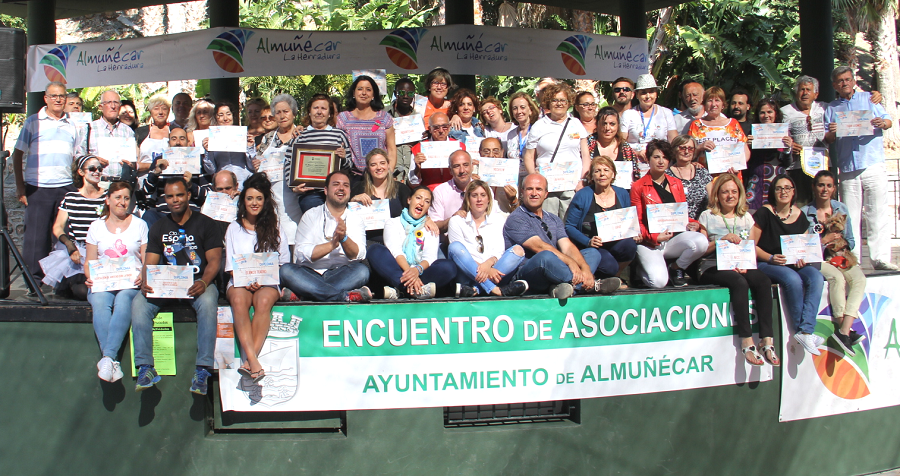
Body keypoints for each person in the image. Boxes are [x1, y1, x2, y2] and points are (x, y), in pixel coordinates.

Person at [131, 177, 223, 395]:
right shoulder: (158, 227)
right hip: (167, 283)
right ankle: (145, 367)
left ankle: (203, 369)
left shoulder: (207, 224)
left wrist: (203, 281)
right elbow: (150, 261)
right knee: (139, 303)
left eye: (179, 195)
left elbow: (215, 261)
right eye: (170, 196)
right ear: (165, 198)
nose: (175, 200)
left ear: (189, 196)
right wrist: (146, 279)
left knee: (209, 301)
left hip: (197, 283)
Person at [697, 174, 778, 366]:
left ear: (740, 194)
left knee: (763, 281)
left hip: (741, 264)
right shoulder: (707, 216)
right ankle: (746, 341)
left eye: (734, 191)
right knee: (739, 283)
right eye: (725, 192)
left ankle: (767, 340)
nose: (730, 196)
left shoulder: (746, 217)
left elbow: (750, 246)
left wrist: (745, 263)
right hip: (712, 265)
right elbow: (700, 250)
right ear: (717, 195)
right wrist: (719, 241)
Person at [824, 65, 898, 271]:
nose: (844, 83)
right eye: (840, 81)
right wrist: (833, 132)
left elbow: (889, 121)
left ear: (853, 80)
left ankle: (880, 258)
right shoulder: (831, 108)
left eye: (847, 79)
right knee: (850, 216)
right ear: (834, 85)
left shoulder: (869, 99)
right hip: (848, 168)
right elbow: (828, 138)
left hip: (872, 162)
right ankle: (853, 258)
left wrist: (883, 122)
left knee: (877, 212)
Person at [503, 174, 620, 298]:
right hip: (530, 273)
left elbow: (567, 246)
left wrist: (584, 268)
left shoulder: (553, 219)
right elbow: (540, 247)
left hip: (557, 269)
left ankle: (562, 287)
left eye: (539, 189)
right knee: (546, 256)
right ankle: (591, 286)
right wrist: (571, 263)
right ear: (522, 192)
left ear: (546, 194)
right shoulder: (516, 219)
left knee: (592, 253)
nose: (534, 193)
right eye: (529, 189)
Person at [13, 82, 82, 282]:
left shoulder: (73, 124)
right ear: (45, 98)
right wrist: (20, 186)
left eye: (61, 96)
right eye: (53, 96)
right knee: (36, 238)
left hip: (66, 186)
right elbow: (18, 155)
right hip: (38, 187)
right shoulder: (33, 122)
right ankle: (33, 283)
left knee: (64, 237)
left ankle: (62, 281)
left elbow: (77, 156)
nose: (58, 100)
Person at [749, 174, 824, 356]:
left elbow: (804, 247)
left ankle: (806, 329)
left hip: (793, 263)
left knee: (816, 277)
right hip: (767, 262)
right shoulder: (765, 213)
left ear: (793, 192)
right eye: (779, 188)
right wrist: (770, 257)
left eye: (787, 188)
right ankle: (803, 330)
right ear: (773, 192)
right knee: (792, 279)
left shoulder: (800, 216)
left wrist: (802, 257)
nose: (783, 191)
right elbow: (750, 244)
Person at [225, 173, 290, 382]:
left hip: (268, 282)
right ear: (243, 200)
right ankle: (252, 361)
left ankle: (248, 362)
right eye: (250, 198)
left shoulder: (276, 227)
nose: (254, 203)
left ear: (265, 201)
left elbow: (283, 262)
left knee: (263, 301)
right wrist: (245, 280)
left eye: (259, 198)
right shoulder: (233, 228)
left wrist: (261, 280)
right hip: (239, 281)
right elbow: (231, 266)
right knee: (238, 300)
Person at [84, 181, 148, 381]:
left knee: (123, 302)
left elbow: (146, 259)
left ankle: (107, 357)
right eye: (118, 197)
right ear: (108, 200)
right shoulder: (96, 227)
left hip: (131, 282)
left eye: (126, 198)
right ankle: (111, 360)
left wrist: (143, 274)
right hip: (103, 281)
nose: (122, 202)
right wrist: (89, 276)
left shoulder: (140, 224)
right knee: (100, 302)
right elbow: (89, 261)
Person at [800, 171, 867, 356]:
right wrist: (824, 240)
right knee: (837, 279)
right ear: (814, 187)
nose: (825, 189)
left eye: (829, 186)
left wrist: (841, 243)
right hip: (820, 258)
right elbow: (803, 247)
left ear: (834, 188)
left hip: (843, 255)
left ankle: (844, 331)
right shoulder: (805, 213)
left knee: (859, 279)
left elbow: (852, 240)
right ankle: (844, 329)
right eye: (821, 185)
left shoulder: (841, 209)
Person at [280, 171, 372, 302]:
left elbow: (359, 254)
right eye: (336, 184)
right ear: (325, 190)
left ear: (350, 191)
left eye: (345, 185)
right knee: (286, 271)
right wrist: (331, 245)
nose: (341, 188)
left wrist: (344, 239)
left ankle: (306, 295)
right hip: (309, 274)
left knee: (362, 271)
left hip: (342, 274)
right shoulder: (310, 215)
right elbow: (301, 253)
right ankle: (344, 297)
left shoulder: (355, 219)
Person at [631, 140, 707, 288]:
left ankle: (676, 268)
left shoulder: (676, 183)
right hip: (650, 243)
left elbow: (680, 214)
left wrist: (693, 223)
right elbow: (637, 221)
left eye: (665, 158)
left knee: (701, 241)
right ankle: (639, 268)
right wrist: (654, 237)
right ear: (648, 158)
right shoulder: (638, 186)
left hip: (672, 239)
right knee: (658, 282)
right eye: (656, 157)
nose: (661, 161)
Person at [367, 186, 458, 299]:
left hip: (421, 271)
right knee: (375, 250)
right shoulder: (393, 223)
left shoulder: (431, 228)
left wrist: (416, 270)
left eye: (427, 201)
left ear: (429, 207)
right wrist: (410, 272)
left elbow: (430, 258)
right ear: (409, 200)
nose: (421, 203)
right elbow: (396, 252)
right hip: (399, 269)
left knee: (449, 267)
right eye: (418, 198)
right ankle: (417, 290)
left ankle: (400, 290)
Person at [42, 155, 108, 300]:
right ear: (81, 172)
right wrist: (70, 246)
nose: (97, 172)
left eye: (99, 169)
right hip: (80, 251)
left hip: (103, 250)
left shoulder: (107, 197)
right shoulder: (71, 198)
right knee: (83, 291)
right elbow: (58, 227)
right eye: (92, 169)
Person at [564, 155, 637, 284]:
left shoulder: (622, 194)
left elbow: (629, 220)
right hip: (593, 246)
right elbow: (569, 226)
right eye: (597, 171)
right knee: (610, 266)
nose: (602, 174)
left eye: (606, 170)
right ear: (592, 176)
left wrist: (635, 233)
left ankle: (616, 277)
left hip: (616, 242)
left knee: (630, 245)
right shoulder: (583, 195)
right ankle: (607, 276)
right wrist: (588, 241)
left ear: (613, 174)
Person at [448, 180, 528, 297]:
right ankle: (496, 290)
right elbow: (460, 256)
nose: (479, 199)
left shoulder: (498, 219)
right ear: (468, 199)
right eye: (474, 196)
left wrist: (488, 265)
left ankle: (475, 290)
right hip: (467, 274)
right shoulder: (456, 221)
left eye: (483, 195)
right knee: (454, 247)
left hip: (493, 269)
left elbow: (499, 251)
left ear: (489, 199)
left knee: (518, 250)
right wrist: (484, 269)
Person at [523, 82, 591, 218]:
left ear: (568, 103)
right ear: (549, 102)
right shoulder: (539, 125)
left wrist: (582, 180)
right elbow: (529, 156)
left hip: (572, 186)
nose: (559, 104)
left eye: (563, 100)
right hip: (548, 186)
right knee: (548, 223)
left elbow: (585, 155)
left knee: (571, 224)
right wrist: (536, 180)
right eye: (555, 100)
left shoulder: (576, 123)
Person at [279, 93, 351, 213]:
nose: (319, 112)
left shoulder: (339, 135)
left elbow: (349, 166)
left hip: (336, 192)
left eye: (323, 108)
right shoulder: (300, 135)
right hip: (309, 193)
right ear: (309, 112)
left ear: (329, 114)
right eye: (315, 108)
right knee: (316, 222)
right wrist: (293, 186)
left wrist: (343, 158)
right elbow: (289, 162)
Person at [336, 75, 397, 176]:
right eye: (360, 89)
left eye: (368, 90)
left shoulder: (384, 118)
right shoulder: (343, 118)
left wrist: (389, 173)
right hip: (353, 176)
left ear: (373, 95)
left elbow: (391, 149)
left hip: (380, 176)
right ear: (353, 93)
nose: (364, 93)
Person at [350, 148, 412, 243]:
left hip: (398, 241)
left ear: (388, 165)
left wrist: (427, 219)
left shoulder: (401, 189)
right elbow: (345, 216)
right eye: (373, 164)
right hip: (369, 241)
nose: (379, 167)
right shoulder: (358, 188)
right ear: (368, 168)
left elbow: (413, 212)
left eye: (382, 163)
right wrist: (353, 200)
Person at [746, 99, 793, 209]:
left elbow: (788, 163)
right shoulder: (752, 133)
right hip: (756, 182)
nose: (766, 115)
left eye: (770, 112)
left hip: (778, 180)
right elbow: (746, 161)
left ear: (776, 114)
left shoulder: (783, 133)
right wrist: (747, 147)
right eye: (762, 112)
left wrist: (787, 149)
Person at [690, 87, 750, 172]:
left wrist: (738, 166)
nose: (713, 104)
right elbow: (687, 152)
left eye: (717, 100)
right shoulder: (696, 125)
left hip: (731, 175)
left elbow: (745, 150)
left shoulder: (733, 124)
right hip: (705, 177)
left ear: (723, 105)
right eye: (710, 101)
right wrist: (700, 147)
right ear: (704, 105)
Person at [79, 90, 137, 176]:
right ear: (100, 107)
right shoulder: (88, 129)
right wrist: (92, 160)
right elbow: (78, 156)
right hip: (98, 183)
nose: (113, 106)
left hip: (122, 184)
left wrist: (131, 164)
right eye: (108, 102)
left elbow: (135, 159)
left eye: (116, 102)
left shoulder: (128, 131)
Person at [621, 74, 677, 158]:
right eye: (643, 93)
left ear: (656, 94)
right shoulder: (628, 114)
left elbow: (674, 141)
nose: (648, 96)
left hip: (660, 162)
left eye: (651, 92)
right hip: (634, 161)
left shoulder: (666, 113)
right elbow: (621, 143)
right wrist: (637, 153)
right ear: (637, 95)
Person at [408, 112, 466, 189]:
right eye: (436, 127)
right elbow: (413, 183)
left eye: (444, 126)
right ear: (430, 129)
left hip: (454, 190)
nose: (441, 130)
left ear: (449, 127)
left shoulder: (459, 147)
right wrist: (417, 168)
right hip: (429, 192)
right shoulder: (418, 148)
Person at [429, 150, 475, 238]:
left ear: (472, 167)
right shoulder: (440, 191)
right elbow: (435, 225)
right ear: (450, 170)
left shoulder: (484, 190)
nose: (462, 170)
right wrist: (452, 220)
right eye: (456, 166)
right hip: (448, 242)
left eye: (466, 165)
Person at [666, 134, 712, 219]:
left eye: (690, 149)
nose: (686, 152)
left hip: (702, 222)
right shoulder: (666, 175)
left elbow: (712, 198)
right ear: (675, 150)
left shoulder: (702, 172)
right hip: (677, 222)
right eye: (682, 148)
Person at [204, 101, 256, 174]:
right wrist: (207, 152)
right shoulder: (211, 138)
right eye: (221, 115)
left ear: (233, 116)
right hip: (223, 181)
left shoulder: (243, 134)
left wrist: (250, 147)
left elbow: (252, 166)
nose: (225, 118)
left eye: (228, 114)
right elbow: (210, 170)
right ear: (216, 117)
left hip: (244, 180)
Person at [387, 77, 418, 180]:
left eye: (409, 94)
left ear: (413, 96)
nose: (405, 96)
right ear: (395, 93)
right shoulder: (384, 115)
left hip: (411, 174)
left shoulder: (418, 119)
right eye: (401, 92)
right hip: (390, 173)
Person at [477, 137, 519, 213]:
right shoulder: (473, 174)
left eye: (496, 152)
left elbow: (517, 212)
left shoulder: (511, 175)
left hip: (503, 221)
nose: (491, 155)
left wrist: (513, 200)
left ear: (502, 152)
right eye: (486, 152)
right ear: (480, 153)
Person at [135, 95, 171, 171]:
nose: (160, 112)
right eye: (156, 109)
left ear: (169, 111)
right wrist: (155, 165)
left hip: (168, 180)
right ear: (150, 111)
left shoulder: (174, 131)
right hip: (144, 179)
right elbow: (135, 164)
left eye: (164, 109)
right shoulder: (140, 132)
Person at [505, 92, 541, 163]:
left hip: (533, 173)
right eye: (515, 108)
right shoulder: (511, 135)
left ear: (530, 110)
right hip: (514, 173)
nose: (519, 111)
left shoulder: (538, 131)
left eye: (522, 107)